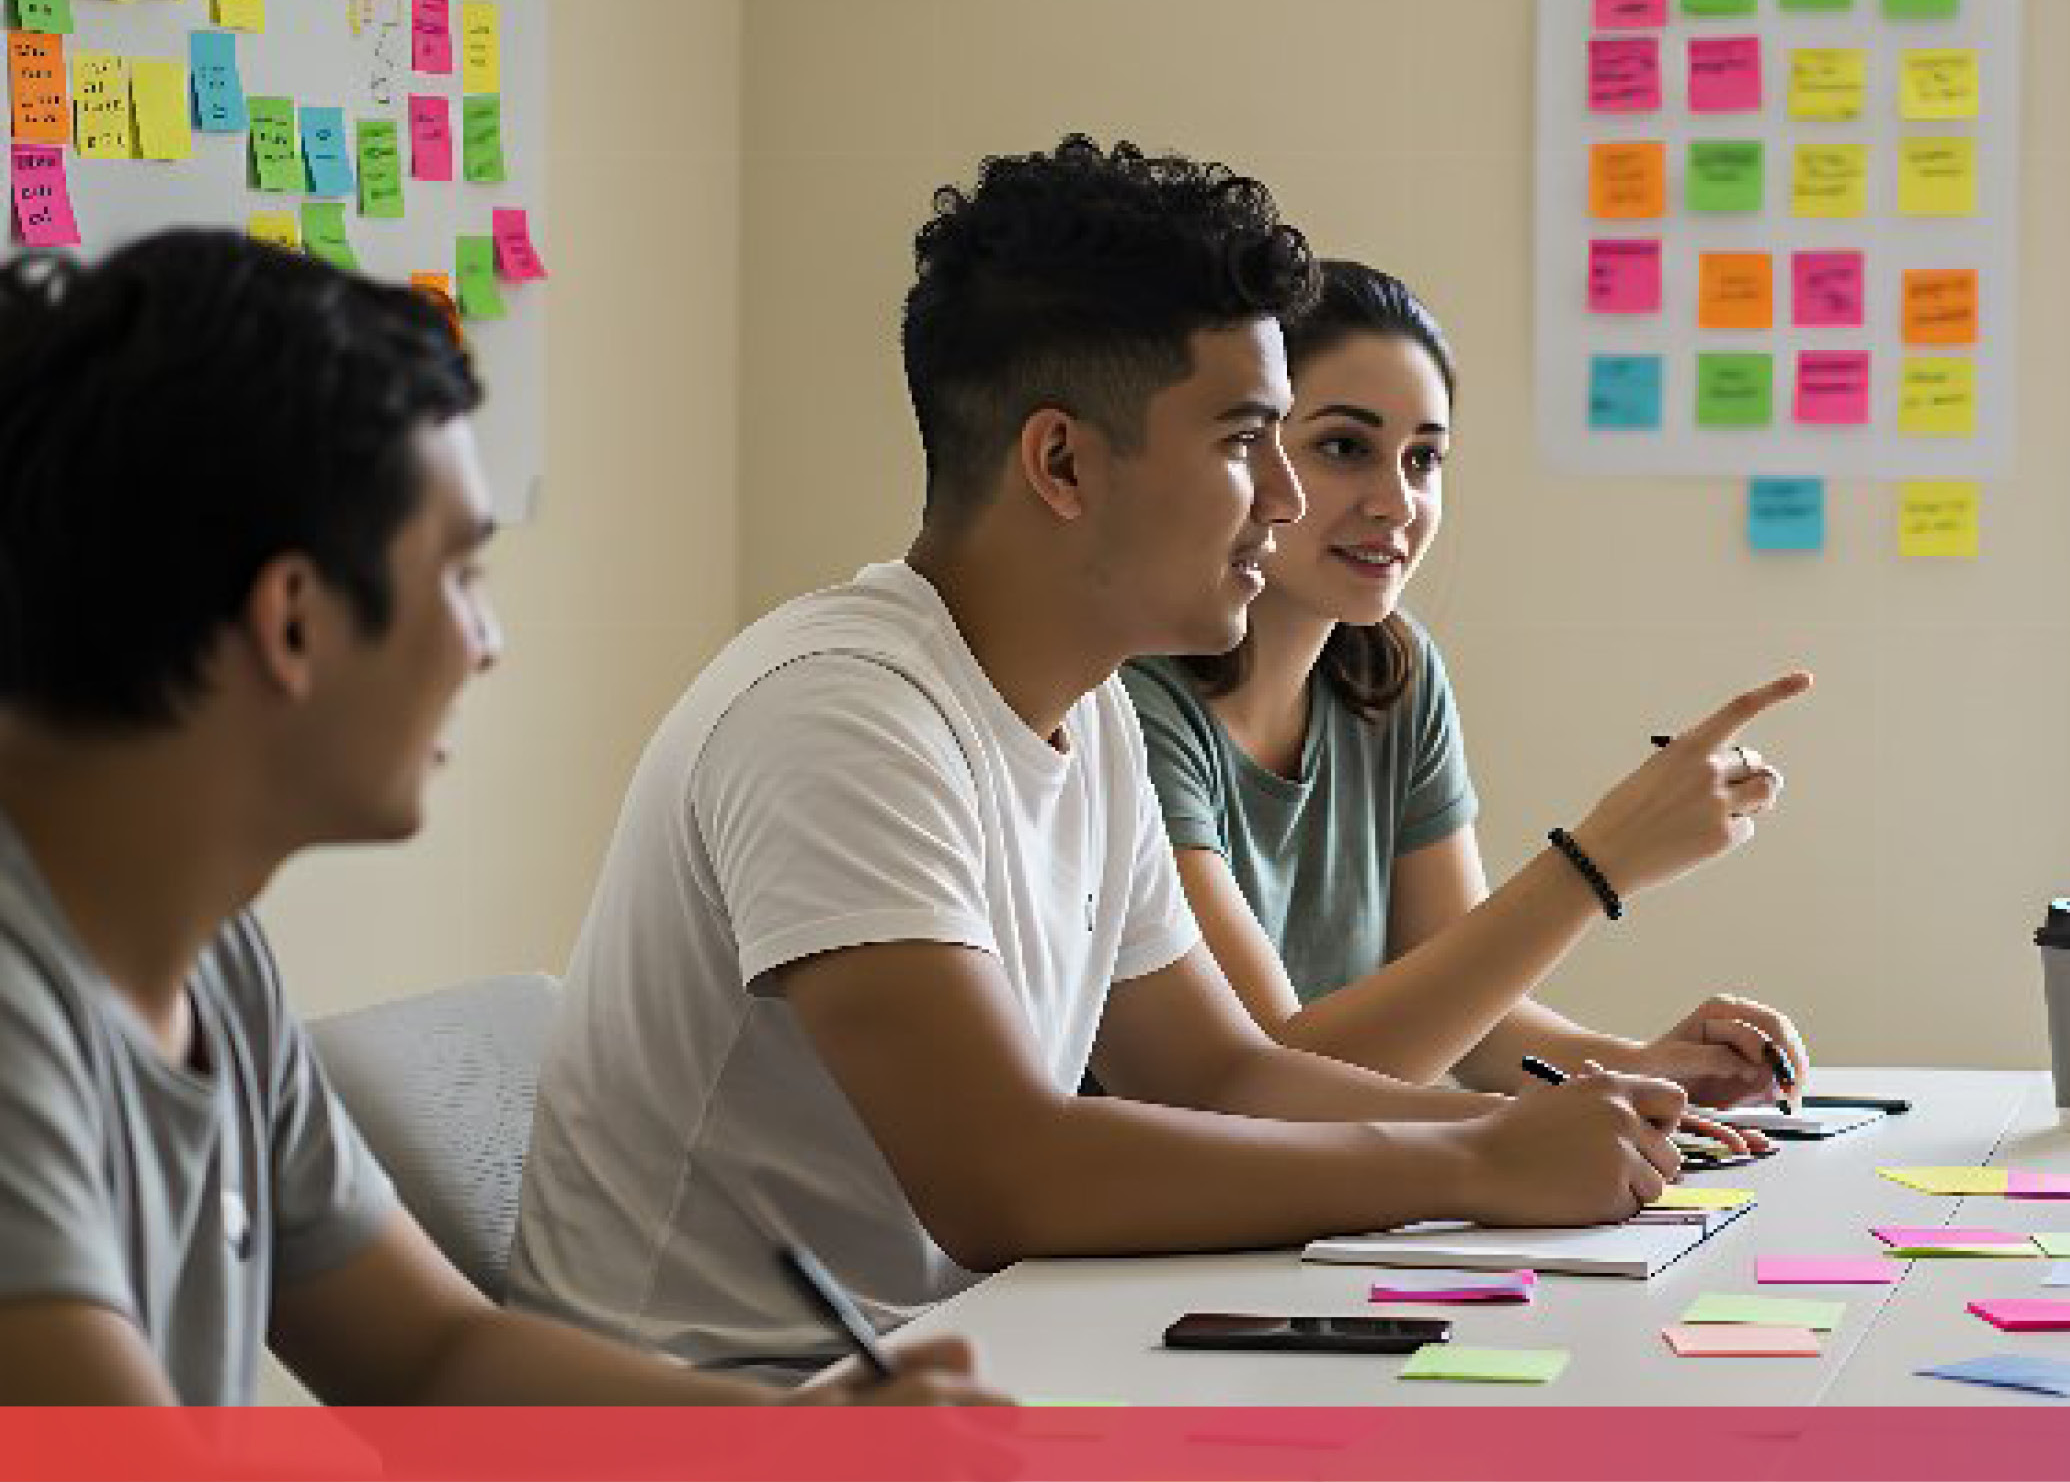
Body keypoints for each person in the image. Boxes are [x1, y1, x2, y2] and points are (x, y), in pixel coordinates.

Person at [510, 138, 1715, 1372]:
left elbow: (1216, 1074)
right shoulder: (837, 713)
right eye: (1248, 441)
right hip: (735, 1407)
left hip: (959, 1361)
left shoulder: (1087, 717)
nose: (1285, 502)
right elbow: (1004, 1176)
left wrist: (1537, 1123)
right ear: (1064, 463)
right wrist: (1474, 1158)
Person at [0, 233, 993, 1404]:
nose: (487, 640)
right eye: (462, 576)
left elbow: (433, 1353)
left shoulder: (202, 952)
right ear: (295, 619)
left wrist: (803, 1444)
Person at [1120, 260, 1810, 1108]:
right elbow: (1269, 1084)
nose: (1396, 502)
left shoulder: (1392, 671)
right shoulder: (1134, 705)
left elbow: (1463, 1011)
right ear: (1251, 454)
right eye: (1345, 447)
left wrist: (1637, 1064)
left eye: (1423, 458)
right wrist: (1599, 862)